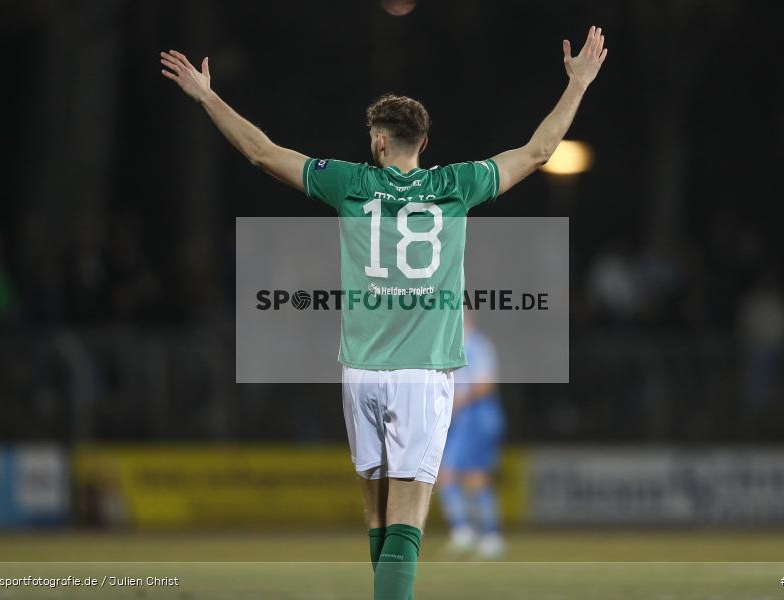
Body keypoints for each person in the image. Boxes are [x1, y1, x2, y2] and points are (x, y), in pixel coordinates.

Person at [160, 25, 607, 600]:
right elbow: (539, 151)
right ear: (424, 142)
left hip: (361, 372)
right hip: (423, 371)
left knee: (377, 518)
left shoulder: (350, 183)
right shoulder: (456, 184)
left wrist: (207, 96)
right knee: (406, 522)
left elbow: (261, 152)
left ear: (378, 142)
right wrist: (578, 84)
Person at [438, 314, 506, 559]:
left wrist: (456, 403)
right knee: (463, 476)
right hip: (467, 419)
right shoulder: (454, 346)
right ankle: (480, 534)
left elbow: (485, 383)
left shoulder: (476, 345)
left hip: (477, 417)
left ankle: (475, 533)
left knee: (466, 476)